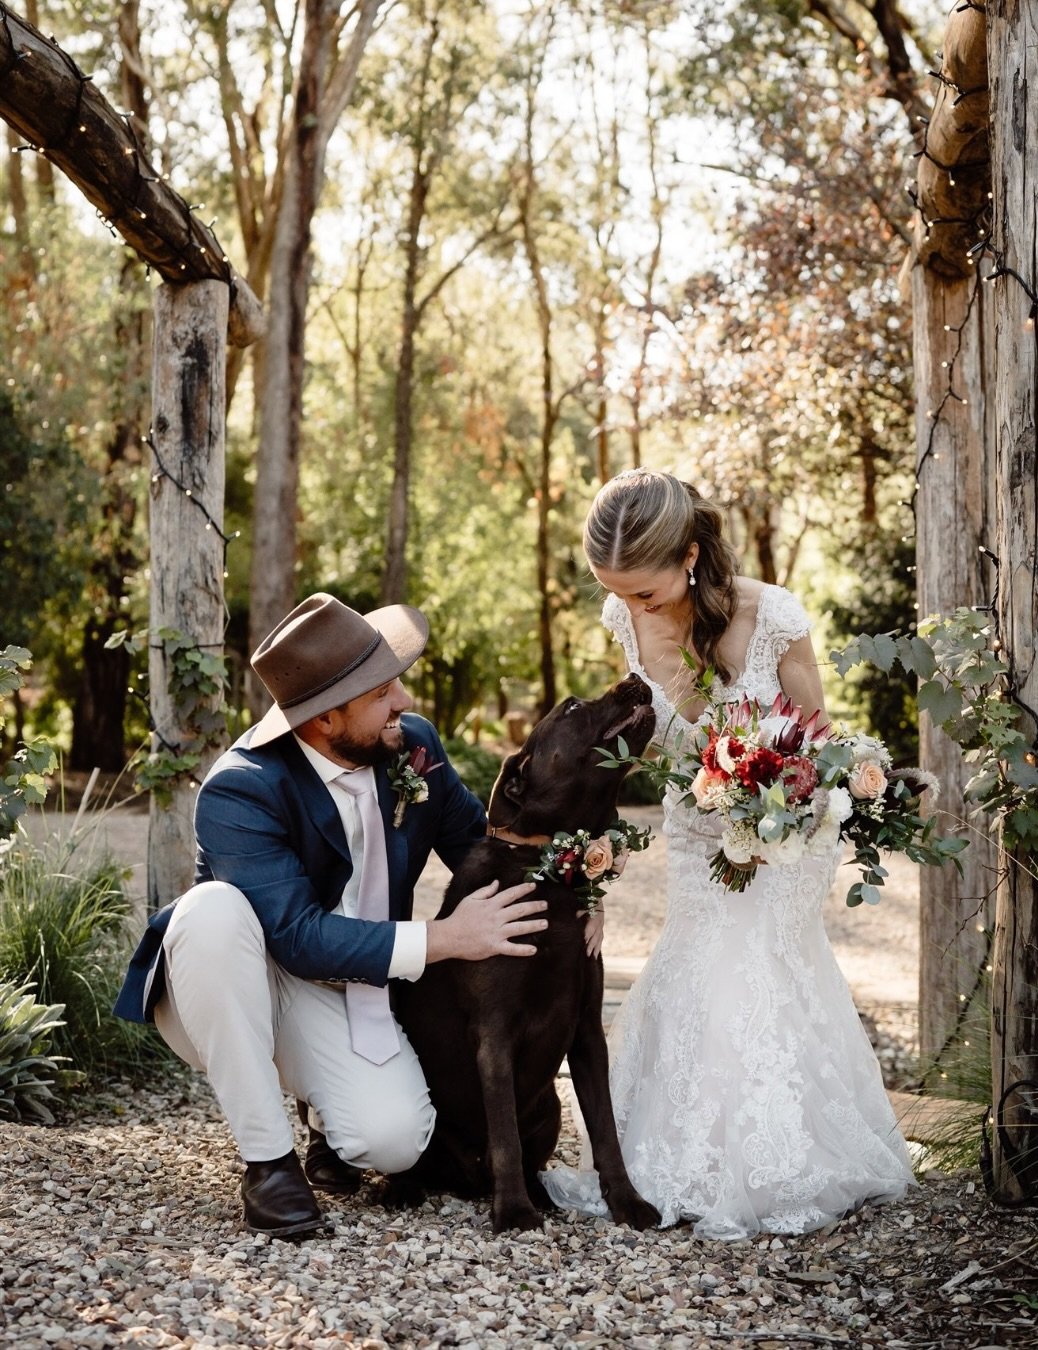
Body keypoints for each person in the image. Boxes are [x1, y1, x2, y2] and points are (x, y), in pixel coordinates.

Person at [541, 469, 914, 1239]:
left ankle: (778, 1162)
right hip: (694, 828)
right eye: (618, 593)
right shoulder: (623, 613)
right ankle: (673, 1156)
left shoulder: (772, 615)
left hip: (785, 832)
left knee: (749, 969)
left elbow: (817, 745)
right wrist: (597, 859)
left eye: (643, 592)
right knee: (691, 965)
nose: (631, 608)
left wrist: (767, 806)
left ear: (687, 556)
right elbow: (641, 745)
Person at [114, 593, 545, 1239]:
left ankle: (323, 1111)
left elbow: (477, 851)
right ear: (322, 720)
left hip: (353, 985)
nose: (402, 699)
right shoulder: (242, 788)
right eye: (381, 692)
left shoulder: (409, 745)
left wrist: (570, 884)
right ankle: (269, 1168)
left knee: (393, 1142)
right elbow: (295, 938)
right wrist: (444, 939)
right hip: (245, 981)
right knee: (211, 911)